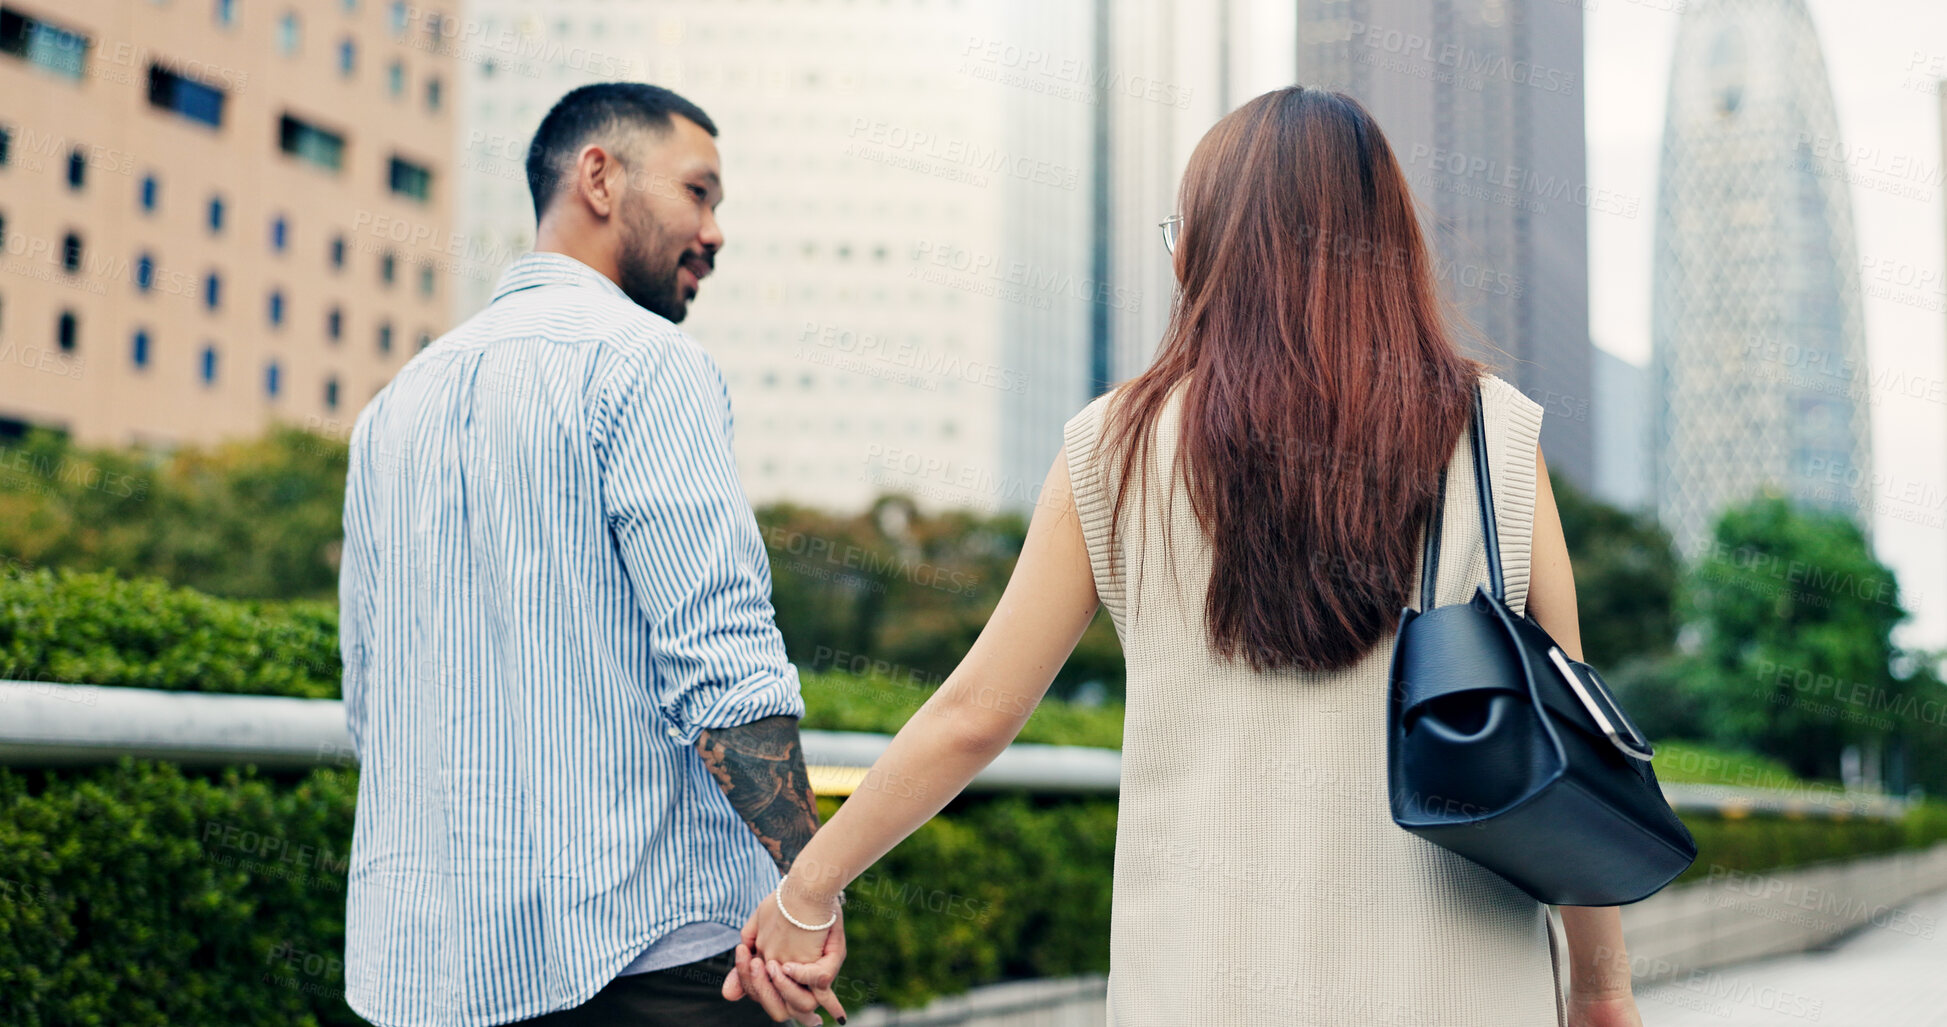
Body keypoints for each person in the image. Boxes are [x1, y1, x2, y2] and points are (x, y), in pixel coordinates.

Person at [725, 87, 1647, 1027]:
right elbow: (1572, 730)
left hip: (1204, 985)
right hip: (1462, 991)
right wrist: (1602, 992)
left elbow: (974, 716)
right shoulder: (1488, 432)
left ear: (1209, 249)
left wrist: (808, 891)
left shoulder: (1114, 445)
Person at [339, 83, 841, 1027]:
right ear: (599, 177)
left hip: (430, 976)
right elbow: (726, 668)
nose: (715, 232)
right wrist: (806, 891)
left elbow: (368, 696)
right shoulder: (643, 360)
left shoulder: (392, 408)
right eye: (699, 193)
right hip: (651, 963)